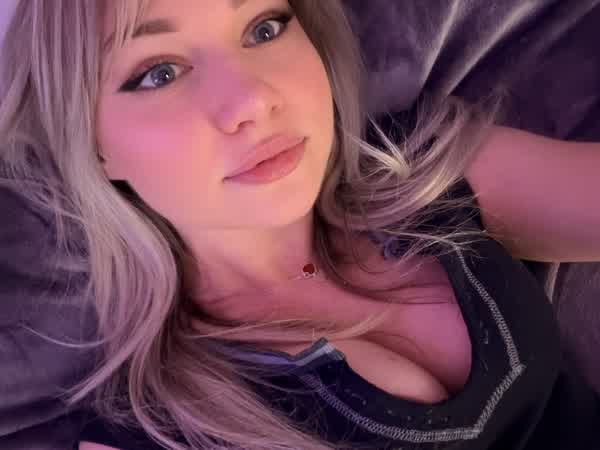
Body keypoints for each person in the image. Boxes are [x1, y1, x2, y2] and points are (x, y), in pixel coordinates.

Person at [0, 0, 598, 449]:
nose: (251, 100)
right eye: (159, 72)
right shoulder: (155, 430)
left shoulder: (423, 169)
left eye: (264, 27)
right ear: (93, 145)